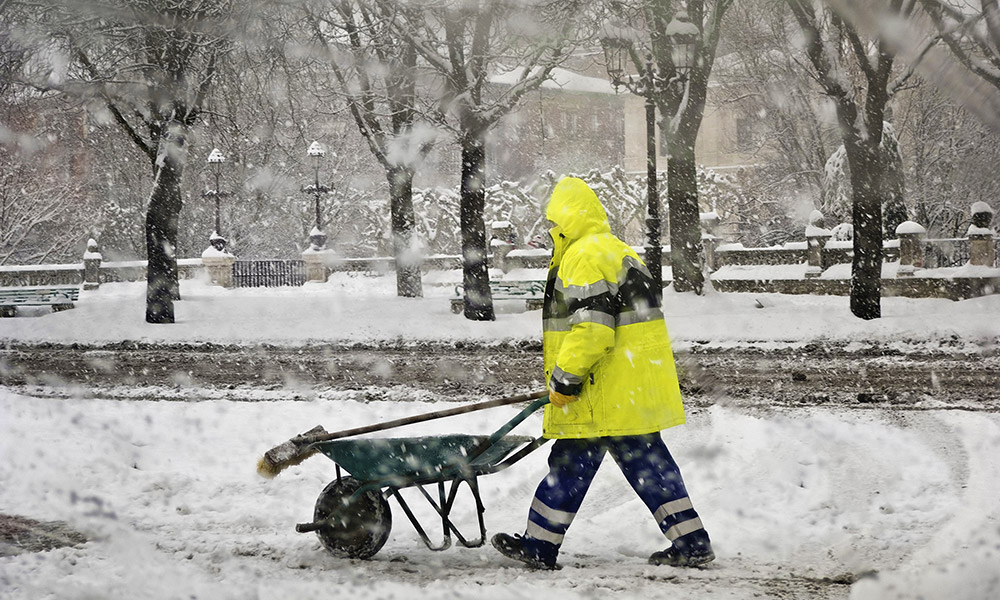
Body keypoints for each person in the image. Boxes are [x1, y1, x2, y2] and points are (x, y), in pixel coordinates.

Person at [491, 177, 714, 570]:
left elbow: (593, 330)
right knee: (648, 464)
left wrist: (565, 378)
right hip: (632, 386)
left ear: (565, 220)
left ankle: (539, 546)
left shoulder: (583, 256)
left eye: (553, 223)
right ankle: (691, 541)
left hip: (602, 389)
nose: (551, 231)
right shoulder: (617, 250)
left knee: (572, 461)